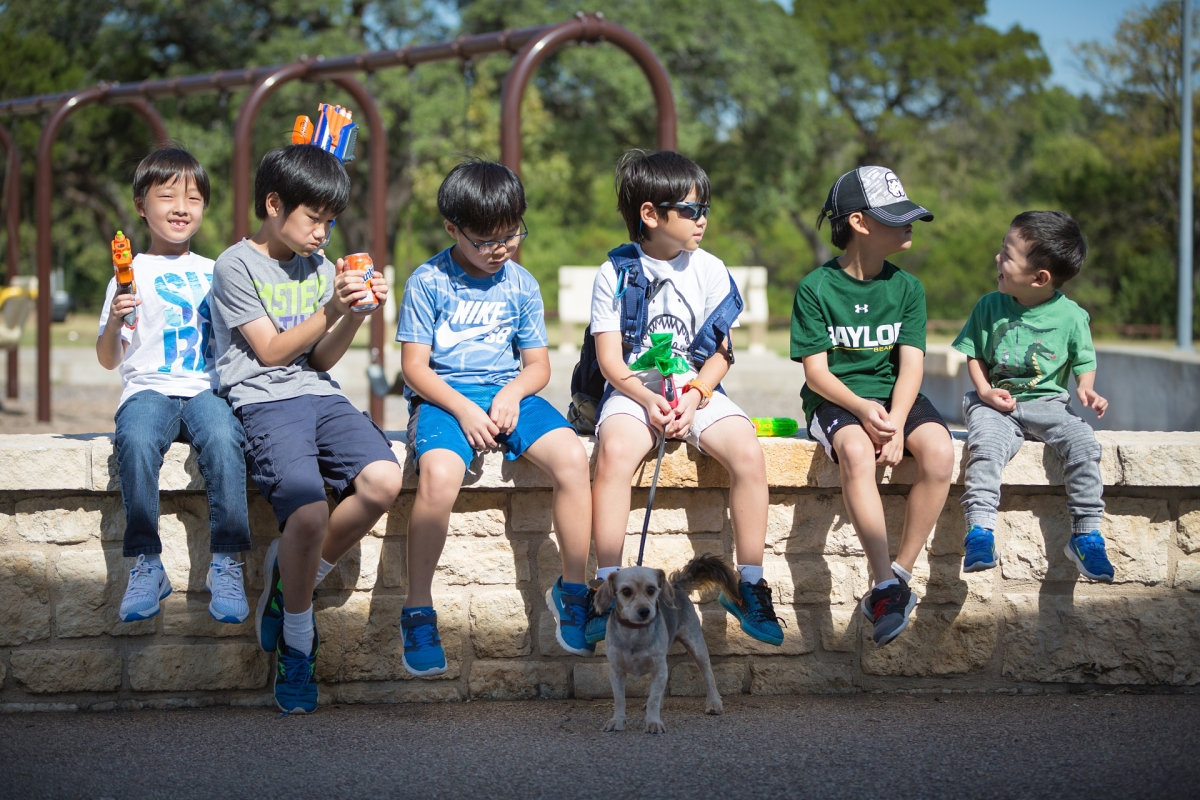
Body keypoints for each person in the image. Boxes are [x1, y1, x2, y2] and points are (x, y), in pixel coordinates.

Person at [209, 144, 403, 714]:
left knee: (383, 481)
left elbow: (319, 360)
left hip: (319, 394)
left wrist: (356, 314)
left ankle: (291, 577)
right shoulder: (235, 265)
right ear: (274, 204)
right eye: (314, 218)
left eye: (330, 221)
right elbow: (270, 352)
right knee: (311, 514)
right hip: (263, 400)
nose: (323, 233)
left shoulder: (319, 267)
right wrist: (333, 308)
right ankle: (298, 641)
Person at [396, 159, 594, 674]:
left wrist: (511, 393)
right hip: (444, 398)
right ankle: (417, 609)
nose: (500, 248)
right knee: (439, 475)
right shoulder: (427, 281)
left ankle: (575, 590)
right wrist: (463, 408)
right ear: (452, 229)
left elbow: (538, 366)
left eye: (510, 234)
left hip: (508, 392)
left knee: (573, 458)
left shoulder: (521, 283)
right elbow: (414, 368)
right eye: (485, 240)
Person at [586, 149, 784, 647]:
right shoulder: (615, 272)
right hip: (634, 388)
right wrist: (646, 399)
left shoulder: (711, 269)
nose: (703, 219)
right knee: (614, 452)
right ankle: (605, 585)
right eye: (692, 209)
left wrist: (696, 395)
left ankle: (749, 584)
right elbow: (609, 360)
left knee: (747, 451)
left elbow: (722, 354)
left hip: (696, 386)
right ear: (651, 214)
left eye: (705, 209)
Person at [791, 166, 955, 647]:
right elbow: (816, 375)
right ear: (859, 223)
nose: (909, 224)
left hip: (895, 396)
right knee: (858, 453)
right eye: (895, 216)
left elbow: (911, 366)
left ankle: (899, 575)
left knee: (940, 452)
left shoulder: (908, 288)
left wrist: (898, 422)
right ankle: (882, 582)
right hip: (837, 399)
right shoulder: (815, 287)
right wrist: (863, 411)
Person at [98, 147, 251, 628]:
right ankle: (147, 563)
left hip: (206, 388)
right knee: (136, 438)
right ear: (141, 206)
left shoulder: (218, 269)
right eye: (167, 196)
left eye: (193, 199)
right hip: (148, 388)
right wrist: (115, 321)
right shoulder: (129, 274)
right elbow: (108, 358)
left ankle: (226, 562)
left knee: (225, 439)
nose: (181, 208)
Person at [953, 211, 1114, 582]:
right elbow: (974, 355)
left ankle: (1086, 534)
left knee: (1084, 444)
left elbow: (1083, 360)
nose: (998, 258)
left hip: (1049, 405)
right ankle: (980, 530)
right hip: (995, 405)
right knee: (985, 448)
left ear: (1039, 278)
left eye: (1007, 255)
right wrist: (984, 391)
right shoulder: (988, 306)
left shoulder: (1072, 316)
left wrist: (1086, 387)